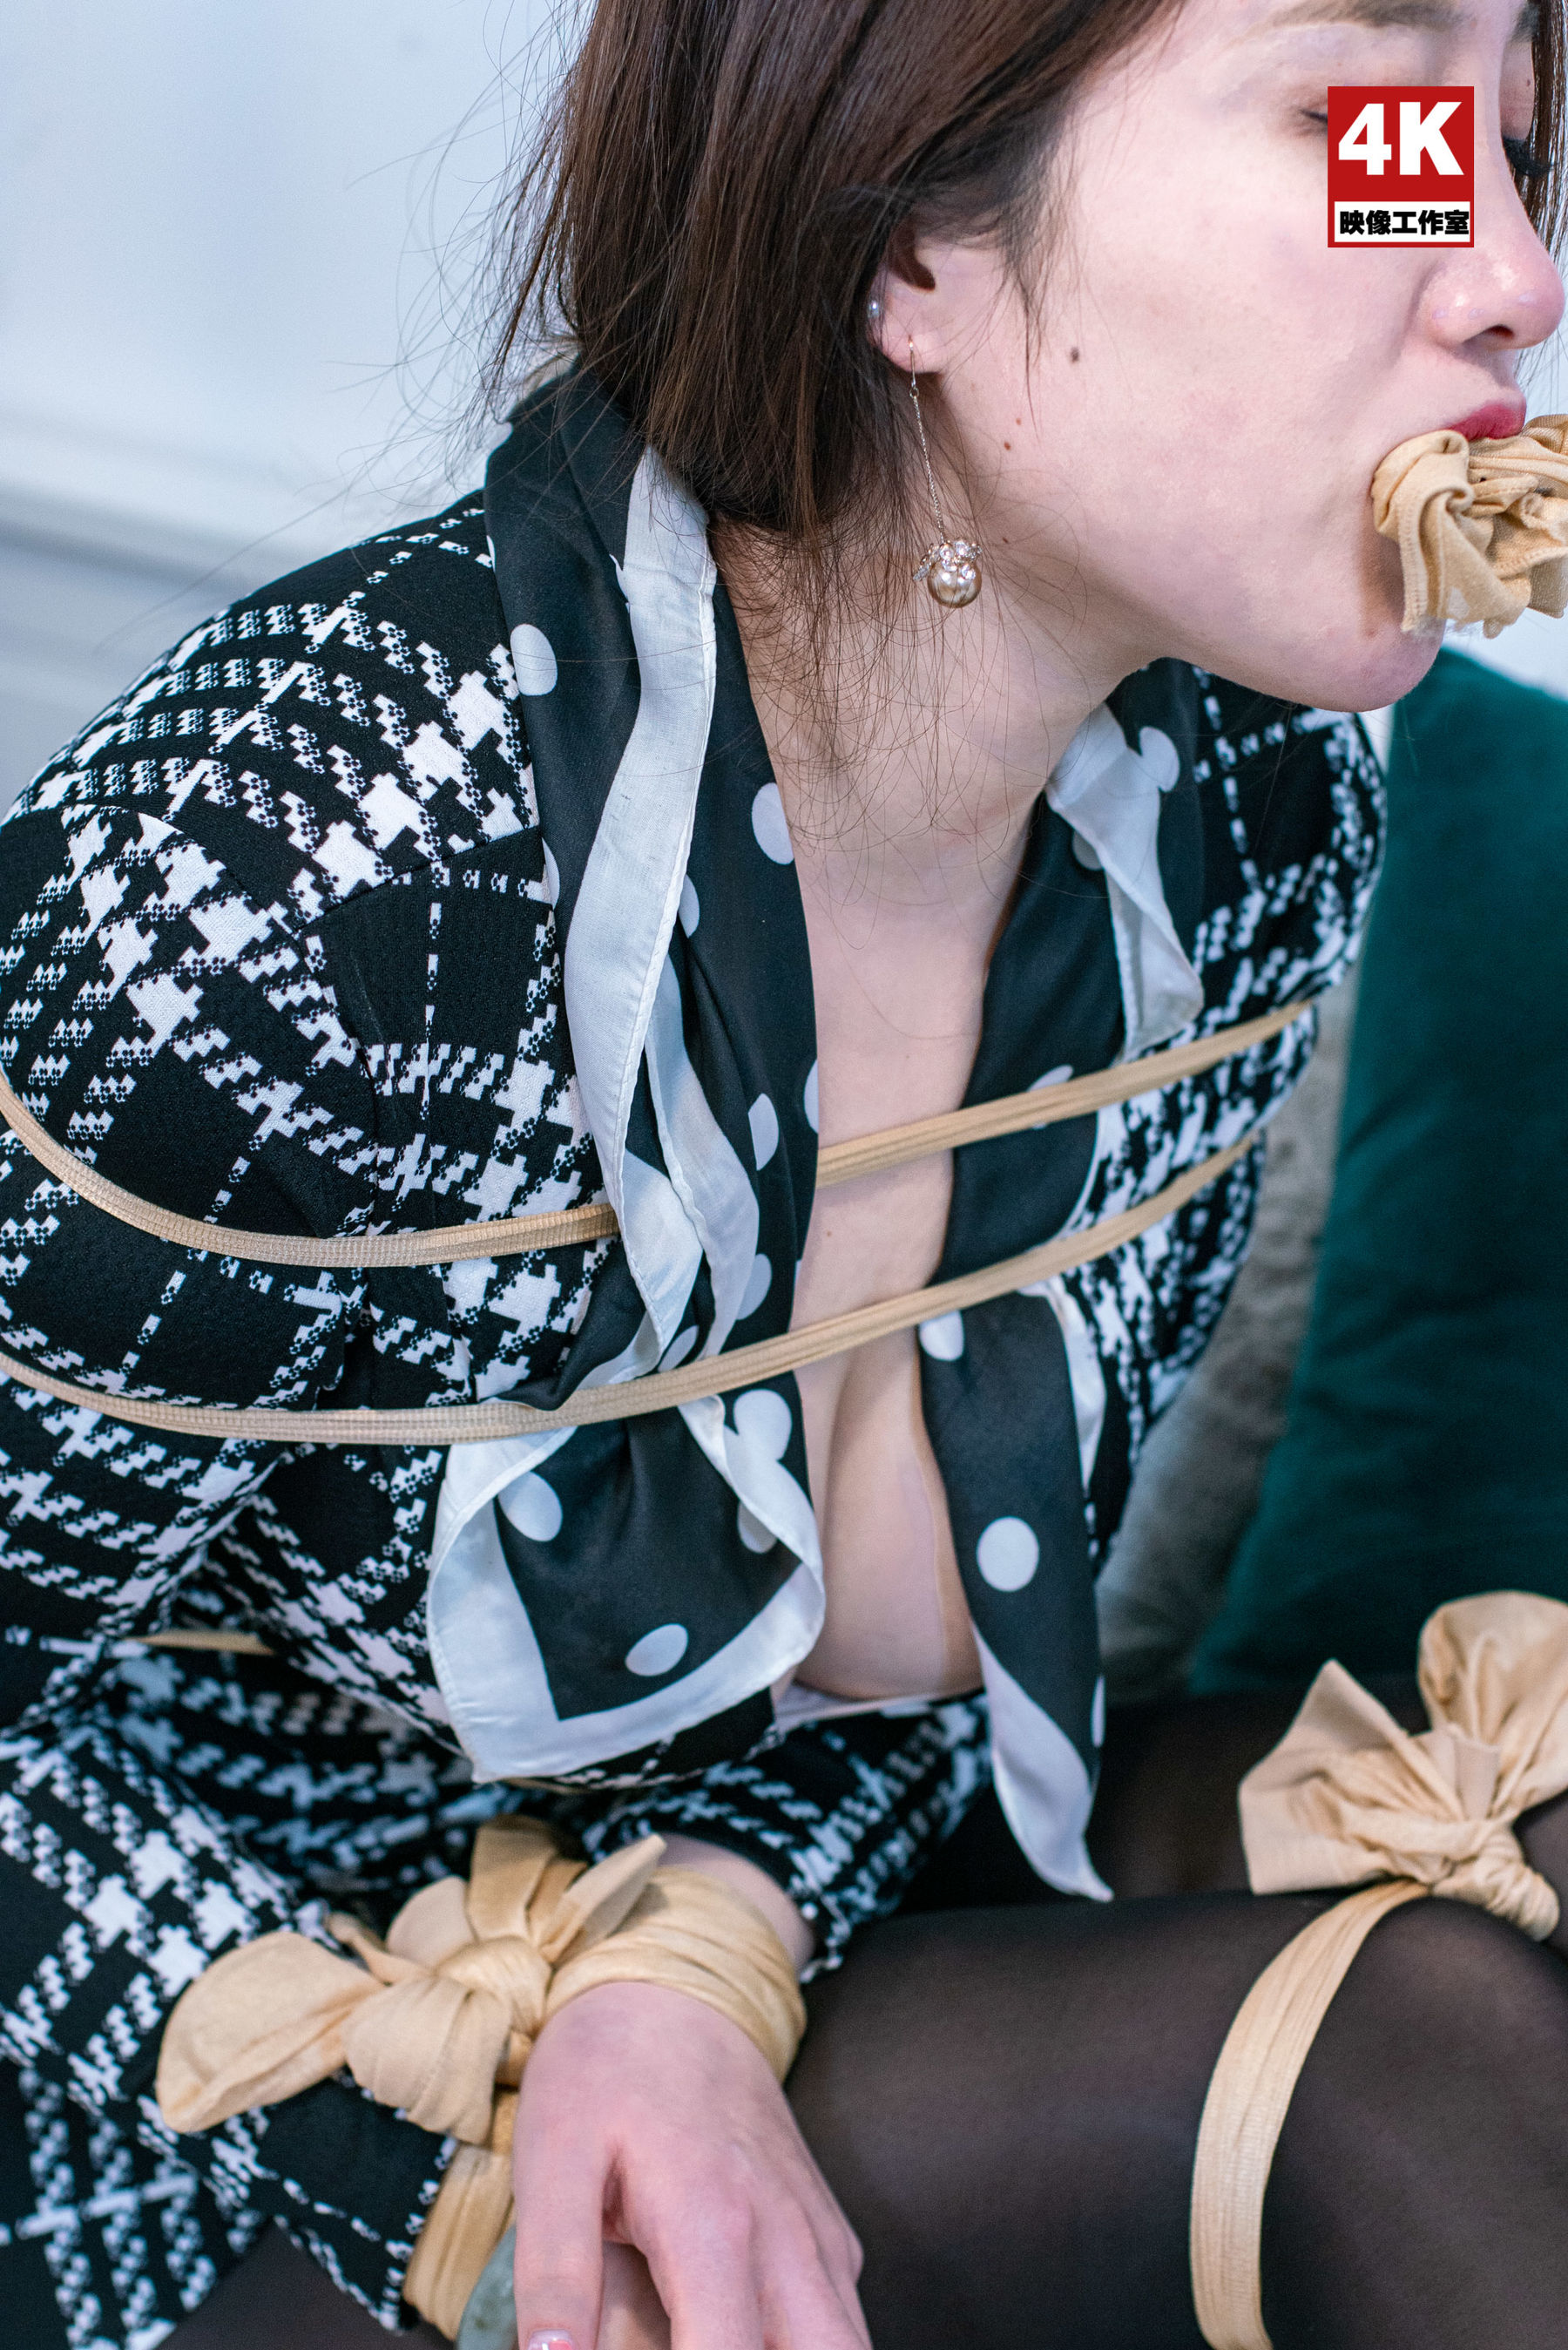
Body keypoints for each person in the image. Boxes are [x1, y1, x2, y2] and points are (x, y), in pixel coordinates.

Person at [2, 0, 1567, 2345]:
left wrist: (705, 1947)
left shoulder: (1260, 807)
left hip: (771, 1878)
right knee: (1404, 2080)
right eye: (1371, 134)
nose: (1515, 276)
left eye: (1509, 145)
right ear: (919, 239)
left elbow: (958, 1657)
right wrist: (476, 2085)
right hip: (220, 2088)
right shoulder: (310, 875)